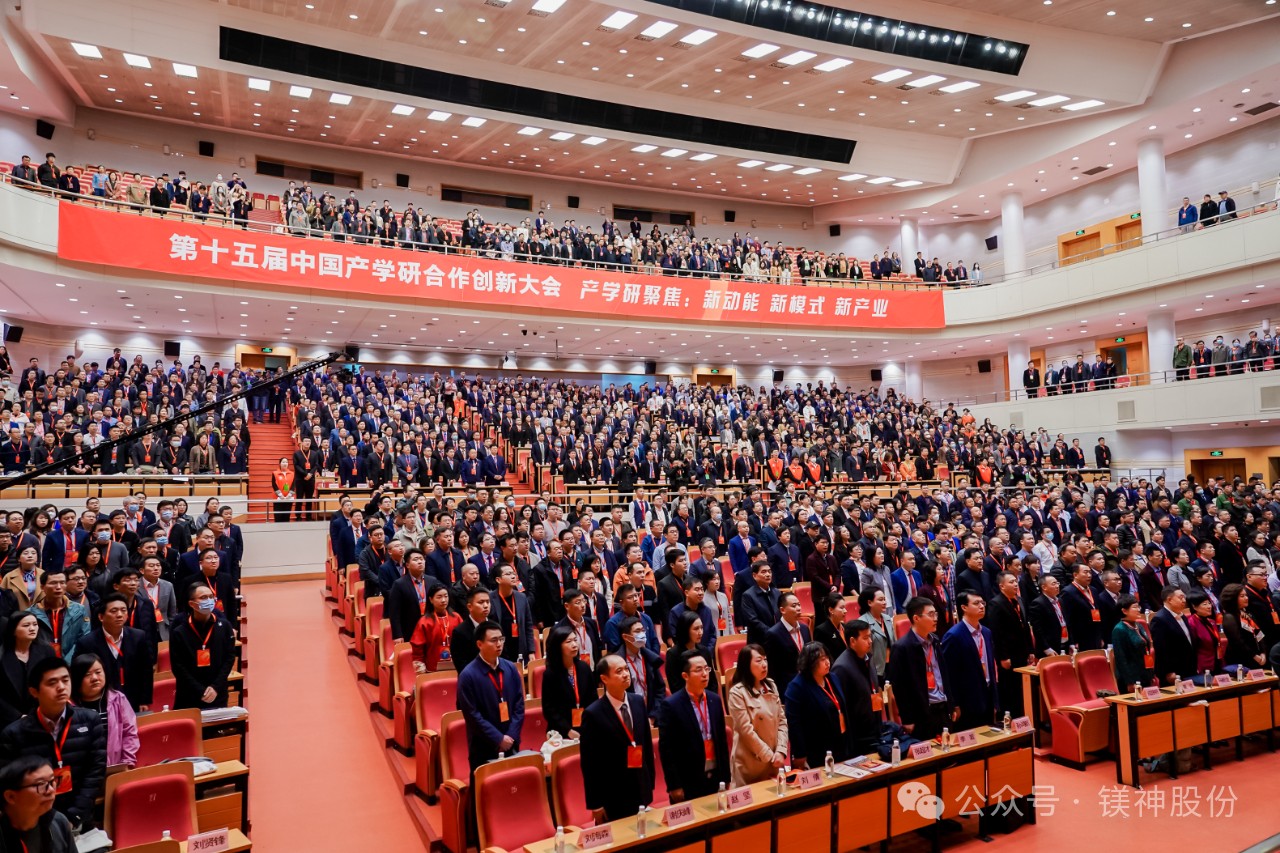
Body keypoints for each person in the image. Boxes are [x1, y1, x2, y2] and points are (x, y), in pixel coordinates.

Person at [0, 656, 106, 831]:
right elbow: (12, 786)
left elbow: (95, 772)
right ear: (34, 692)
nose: (61, 687)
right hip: (34, 823)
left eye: (65, 680)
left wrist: (75, 816)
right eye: (52, 683)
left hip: (81, 819)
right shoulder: (13, 734)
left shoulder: (90, 720)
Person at [578, 654, 655, 823]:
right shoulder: (593, 713)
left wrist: (650, 782)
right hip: (613, 795)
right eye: (619, 671)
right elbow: (590, 763)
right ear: (604, 678)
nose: (626, 674)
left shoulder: (638, 701)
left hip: (641, 788)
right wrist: (595, 804)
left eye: (626, 669)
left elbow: (647, 745)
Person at [658, 652, 730, 802]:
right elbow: (667, 750)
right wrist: (674, 785)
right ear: (685, 676)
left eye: (706, 669)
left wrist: (726, 776)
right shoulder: (671, 705)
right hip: (688, 781)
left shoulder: (715, 700)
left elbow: (722, 741)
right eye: (698, 670)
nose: (705, 674)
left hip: (716, 777)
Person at [456, 621, 524, 771]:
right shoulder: (468, 676)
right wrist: (498, 739)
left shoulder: (511, 668)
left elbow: (519, 705)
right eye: (493, 640)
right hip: (483, 747)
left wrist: (511, 735)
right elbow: (472, 715)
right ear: (479, 644)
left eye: (501, 639)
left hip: (511, 743)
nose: (499, 644)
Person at [886, 596, 956, 739]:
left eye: (936, 614)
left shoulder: (935, 640)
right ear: (916, 618)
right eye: (931, 614)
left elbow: (944, 674)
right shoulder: (901, 648)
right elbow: (899, 687)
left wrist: (951, 704)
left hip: (943, 708)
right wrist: (907, 719)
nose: (935, 618)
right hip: (921, 714)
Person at [76, 593, 154, 712]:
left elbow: (146, 670)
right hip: (102, 701)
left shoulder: (138, 636)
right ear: (101, 617)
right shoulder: (87, 643)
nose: (119, 615)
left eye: (123, 610)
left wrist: (145, 700)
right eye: (114, 611)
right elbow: (80, 675)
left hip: (134, 698)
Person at [726, 643, 788, 786]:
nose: (764, 664)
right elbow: (745, 730)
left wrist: (781, 750)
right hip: (749, 765)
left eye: (765, 659)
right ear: (746, 664)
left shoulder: (771, 685)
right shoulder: (737, 692)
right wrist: (769, 755)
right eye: (758, 661)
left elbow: (782, 721)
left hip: (774, 761)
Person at [169, 582, 237, 709]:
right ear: (192, 604)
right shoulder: (179, 632)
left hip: (217, 693)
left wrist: (215, 687)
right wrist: (200, 690)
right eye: (203, 598)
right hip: (189, 694)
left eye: (211, 597)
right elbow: (178, 667)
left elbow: (229, 658)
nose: (209, 601)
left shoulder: (224, 626)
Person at [783, 642, 849, 769]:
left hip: (840, 743)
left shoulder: (833, 678)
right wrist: (800, 754)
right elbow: (794, 724)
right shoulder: (796, 687)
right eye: (822, 659)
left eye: (827, 657)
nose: (827, 662)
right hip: (815, 749)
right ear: (810, 662)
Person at [939, 591, 999, 731]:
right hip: (967, 700)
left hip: (987, 694)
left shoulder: (986, 632)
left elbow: (990, 666)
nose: (982, 606)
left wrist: (995, 699)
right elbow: (949, 674)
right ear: (964, 607)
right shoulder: (953, 635)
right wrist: (955, 704)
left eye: (982, 603)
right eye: (976, 603)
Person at [69, 653, 137, 768]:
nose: (94, 678)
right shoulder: (70, 707)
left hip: (117, 766)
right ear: (76, 679)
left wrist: (127, 762)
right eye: (87, 674)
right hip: (85, 771)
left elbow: (129, 733)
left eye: (98, 672)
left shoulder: (118, 699)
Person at [0, 755, 77, 853]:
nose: (51, 790)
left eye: (52, 781)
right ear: (11, 796)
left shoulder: (58, 821)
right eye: (40, 784)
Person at [828, 619, 883, 755]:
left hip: (874, 729)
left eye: (870, 636)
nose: (870, 641)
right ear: (852, 641)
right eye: (865, 638)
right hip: (857, 737)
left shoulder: (868, 658)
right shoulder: (841, 668)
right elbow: (843, 707)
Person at [541, 625, 596, 739]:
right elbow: (549, 709)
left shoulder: (584, 668)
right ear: (558, 646)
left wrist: (589, 724)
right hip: (561, 732)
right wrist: (567, 730)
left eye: (575, 640)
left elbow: (593, 699)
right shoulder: (550, 674)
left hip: (586, 727)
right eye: (569, 641)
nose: (574, 645)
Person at [0, 613, 55, 727]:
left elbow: (52, 683)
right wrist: (17, 716)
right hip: (8, 719)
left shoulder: (47, 651)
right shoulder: (2, 655)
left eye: (35, 624)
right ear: (13, 630)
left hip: (41, 715)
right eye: (26, 625)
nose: (32, 628)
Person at [30, 570, 88, 662]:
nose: (58, 587)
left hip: (72, 662)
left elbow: (84, 637)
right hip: (42, 662)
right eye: (53, 583)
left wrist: (67, 662)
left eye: (62, 583)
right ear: (42, 587)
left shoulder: (79, 610)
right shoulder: (31, 613)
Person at [618, 616, 666, 722]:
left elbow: (660, 689)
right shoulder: (617, 662)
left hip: (652, 714)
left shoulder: (650, 658)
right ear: (625, 637)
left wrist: (653, 716)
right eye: (637, 631)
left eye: (643, 630)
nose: (642, 634)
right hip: (629, 718)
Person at [762, 592, 810, 696]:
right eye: (794, 606)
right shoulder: (773, 634)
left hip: (807, 683)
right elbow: (772, 668)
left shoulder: (805, 629)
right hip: (787, 688)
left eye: (799, 605)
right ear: (782, 610)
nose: (798, 608)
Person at [409, 582, 461, 673]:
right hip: (432, 669)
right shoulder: (424, 622)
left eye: (446, 596)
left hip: (456, 666)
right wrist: (421, 670)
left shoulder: (456, 617)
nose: (443, 600)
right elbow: (418, 649)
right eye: (439, 597)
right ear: (431, 599)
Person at [1149, 585, 1196, 686]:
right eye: (1180, 597)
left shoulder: (1183, 617)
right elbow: (1161, 649)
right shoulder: (1159, 619)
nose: (1184, 600)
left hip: (1188, 667)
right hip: (1173, 672)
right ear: (1169, 600)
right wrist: (1168, 671)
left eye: (1184, 597)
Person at [1110, 594, 1155, 690]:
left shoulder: (1139, 625)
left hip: (1145, 674)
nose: (1139, 609)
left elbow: (1146, 650)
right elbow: (1121, 659)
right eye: (1135, 607)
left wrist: (1151, 674)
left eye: (1139, 606)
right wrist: (1130, 682)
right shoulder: (1119, 630)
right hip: (1132, 679)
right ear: (1124, 611)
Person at [1221, 583, 1266, 672]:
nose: (1246, 598)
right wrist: (1254, 656)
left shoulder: (1248, 614)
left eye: (1246, 595)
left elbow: (1259, 634)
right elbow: (1238, 641)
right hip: (1240, 660)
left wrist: (1263, 653)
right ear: (1232, 598)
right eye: (1242, 596)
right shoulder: (1229, 617)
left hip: (1258, 658)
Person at [448, 585, 492, 673]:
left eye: (488, 602)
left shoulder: (495, 627)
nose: (486, 605)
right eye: (481, 602)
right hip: (472, 677)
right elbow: (461, 665)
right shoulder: (459, 632)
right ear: (469, 607)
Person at [1186, 589, 1222, 683]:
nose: (1209, 606)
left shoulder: (1211, 622)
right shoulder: (1191, 623)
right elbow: (1192, 648)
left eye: (1209, 603)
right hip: (1201, 666)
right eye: (1204, 604)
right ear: (1194, 607)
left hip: (1215, 662)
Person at [814, 592, 849, 664]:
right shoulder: (821, 630)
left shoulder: (846, 627)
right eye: (841, 608)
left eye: (845, 608)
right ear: (831, 610)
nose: (845, 611)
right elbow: (823, 657)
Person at [271, 457, 295, 524]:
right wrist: (280, 495)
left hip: (288, 498)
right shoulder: (275, 473)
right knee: (278, 517)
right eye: (283, 462)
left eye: (286, 462)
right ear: (280, 464)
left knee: (286, 517)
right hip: (278, 498)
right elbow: (274, 485)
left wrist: (289, 495)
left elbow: (294, 485)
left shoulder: (292, 474)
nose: (285, 463)